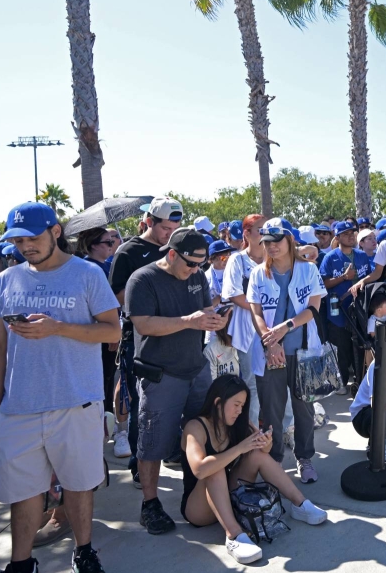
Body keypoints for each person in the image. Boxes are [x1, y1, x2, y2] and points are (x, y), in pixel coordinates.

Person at [0, 203, 121, 573]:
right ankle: (21, 562)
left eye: (33, 237)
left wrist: (58, 327)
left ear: (55, 231)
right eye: (18, 240)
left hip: (75, 403)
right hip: (19, 407)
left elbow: (112, 331)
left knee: (79, 485)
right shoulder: (5, 281)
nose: (25, 246)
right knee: (24, 492)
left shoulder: (87, 274)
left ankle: (84, 551)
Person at [126, 227, 229, 535]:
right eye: (191, 264)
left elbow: (203, 309)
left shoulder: (196, 276)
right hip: (161, 375)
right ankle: (150, 503)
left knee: (205, 432)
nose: (196, 270)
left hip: (195, 367)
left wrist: (215, 316)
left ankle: (197, 493)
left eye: (201, 264)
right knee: (153, 440)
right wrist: (191, 321)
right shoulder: (142, 280)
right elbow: (143, 324)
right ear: (171, 254)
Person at [181, 375, 326, 566]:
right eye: (236, 405)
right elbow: (199, 469)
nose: (240, 411)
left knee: (257, 456)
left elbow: (261, 451)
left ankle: (301, 505)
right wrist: (240, 448)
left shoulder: (238, 421)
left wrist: (266, 443)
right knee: (213, 468)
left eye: (243, 405)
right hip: (198, 508)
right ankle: (234, 536)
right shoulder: (195, 427)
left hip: (226, 496)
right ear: (218, 402)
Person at [108, 196, 185, 486]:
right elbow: (113, 295)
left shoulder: (177, 248)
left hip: (176, 334)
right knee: (143, 403)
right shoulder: (129, 251)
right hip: (140, 340)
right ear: (150, 222)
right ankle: (139, 464)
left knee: (175, 399)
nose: (170, 233)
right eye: (166, 228)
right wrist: (147, 288)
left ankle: (169, 450)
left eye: (175, 227)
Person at [247, 219, 326, 484]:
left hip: (303, 352)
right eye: (266, 242)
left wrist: (285, 326)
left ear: (290, 240)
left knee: (304, 409)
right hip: (271, 354)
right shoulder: (259, 273)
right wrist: (271, 342)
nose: (271, 247)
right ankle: (275, 461)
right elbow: (255, 312)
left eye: (276, 241)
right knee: (272, 412)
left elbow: (313, 308)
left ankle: (305, 458)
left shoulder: (308, 269)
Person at [221, 213, 265, 426]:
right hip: (247, 330)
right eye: (260, 229)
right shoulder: (237, 259)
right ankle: (251, 430)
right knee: (251, 383)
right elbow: (234, 294)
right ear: (246, 233)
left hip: (274, 328)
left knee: (278, 381)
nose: (265, 234)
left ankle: (286, 427)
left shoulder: (274, 257)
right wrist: (262, 310)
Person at [320, 220, 372, 394]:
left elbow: (370, 277)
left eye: (353, 233)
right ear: (338, 237)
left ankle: (361, 380)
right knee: (341, 349)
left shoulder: (362, 255)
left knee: (359, 347)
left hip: (359, 310)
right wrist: (343, 277)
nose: (351, 236)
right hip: (338, 311)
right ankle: (341, 382)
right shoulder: (330, 257)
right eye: (346, 234)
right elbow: (323, 283)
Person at [206, 240, 234, 305]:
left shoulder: (235, 271)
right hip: (216, 313)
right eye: (223, 258)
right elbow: (204, 307)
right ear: (213, 258)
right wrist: (221, 297)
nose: (227, 260)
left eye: (229, 256)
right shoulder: (205, 277)